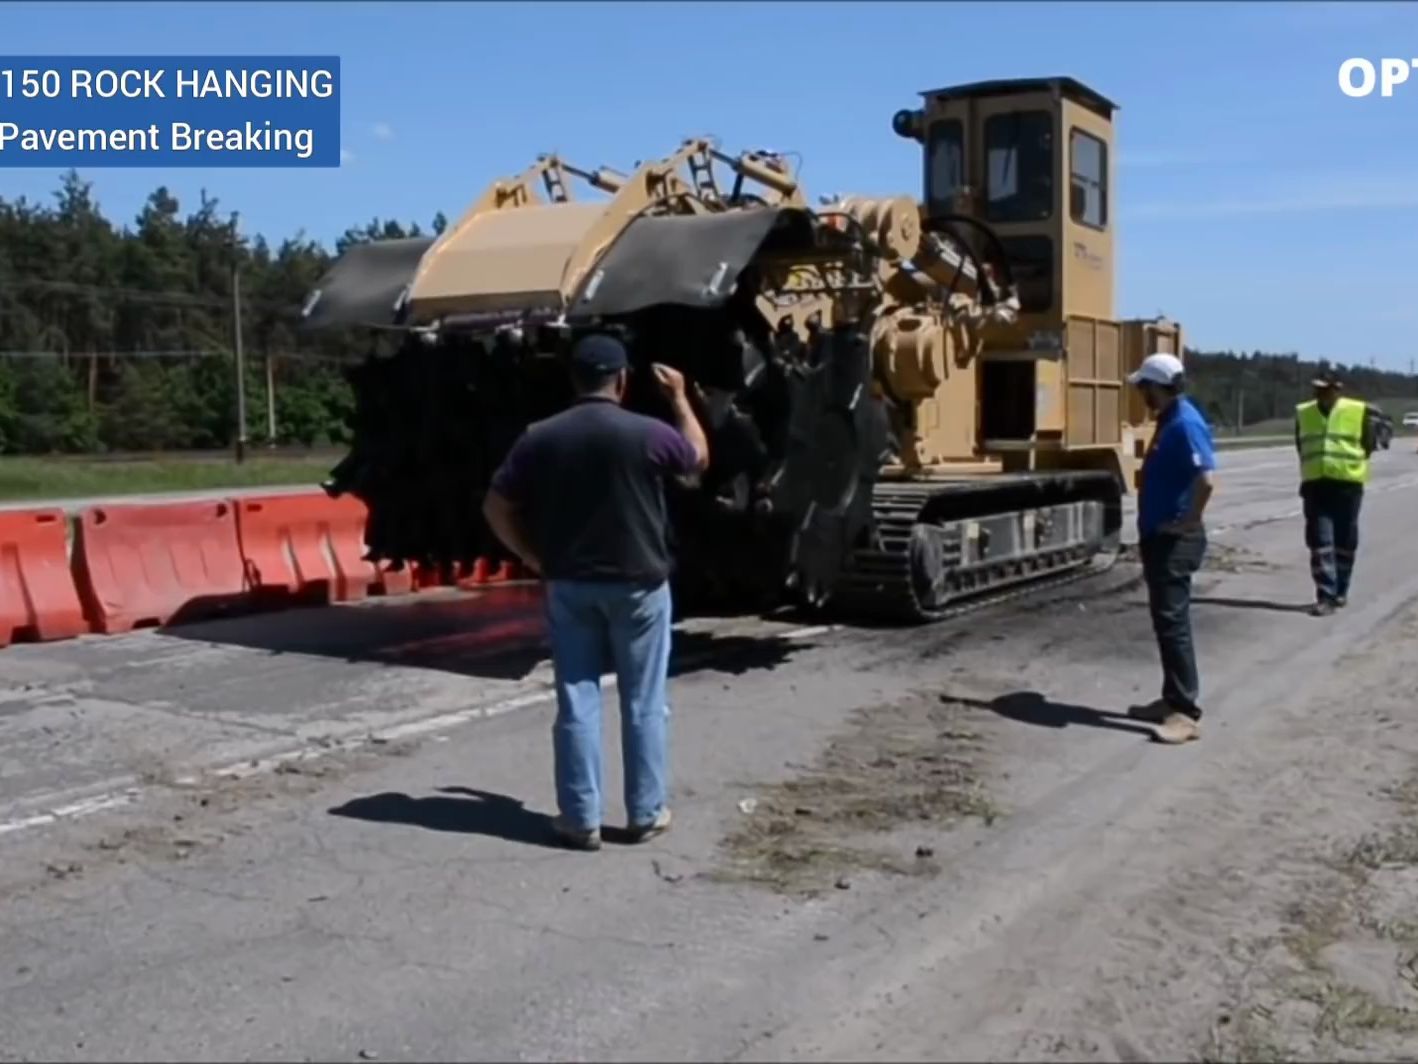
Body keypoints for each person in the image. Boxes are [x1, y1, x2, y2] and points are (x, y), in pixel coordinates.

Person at [482, 333, 710, 851]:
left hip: (569, 585)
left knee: (577, 700)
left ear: (573, 380)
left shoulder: (540, 437)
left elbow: (495, 506)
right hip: (640, 587)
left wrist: (530, 555)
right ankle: (646, 813)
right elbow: (697, 459)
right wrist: (678, 398)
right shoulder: (648, 434)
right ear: (623, 381)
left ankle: (579, 818)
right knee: (643, 701)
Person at [1125, 352, 1217, 745]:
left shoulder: (1185, 423)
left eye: (1143, 387)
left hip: (1175, 541)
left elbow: (1206, 480)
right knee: (1166, 622)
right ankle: (1172, 698)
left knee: (1173, 623)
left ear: (1156, 387)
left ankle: (1185, 712)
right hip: (1160, 537)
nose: (1140, 394)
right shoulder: (1169, 419)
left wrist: (1188, 521)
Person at [1293, 369, 1378, 617]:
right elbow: (1301, 445)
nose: (1320, 394)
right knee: (1320, 542)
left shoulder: (1357, 412)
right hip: (1316, 486)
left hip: (1348, 486)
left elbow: (1368, 445)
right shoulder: (1304, 413)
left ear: (1337, 389)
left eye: (1325, 389)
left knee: (1345, 541)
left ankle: (1341, 589)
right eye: (1317, 389)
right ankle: (1325, 595)